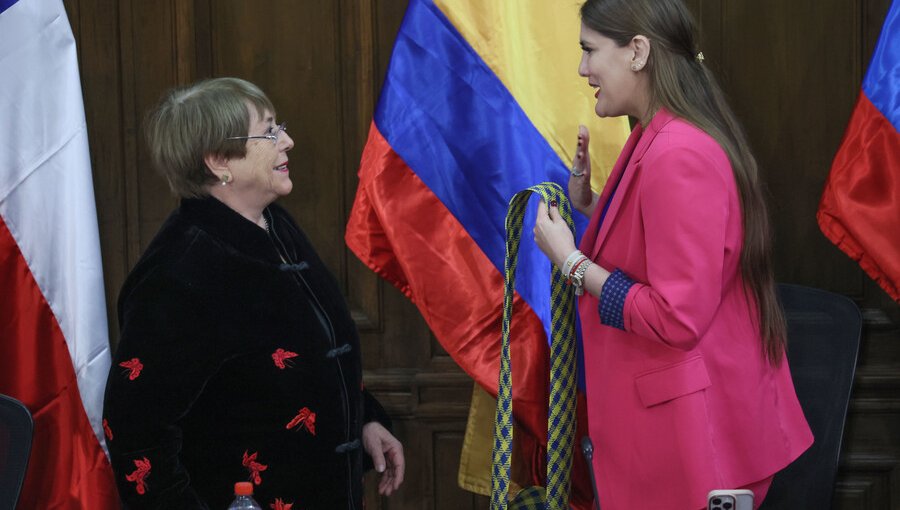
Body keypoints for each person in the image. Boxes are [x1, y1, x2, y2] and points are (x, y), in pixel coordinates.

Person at [532, 1, 813, 508]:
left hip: (687, 444)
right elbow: (662, 249)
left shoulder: (677, 151)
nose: (582, 69)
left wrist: (572, 262)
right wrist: (591, 206)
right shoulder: (658, 134)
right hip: (670, 430)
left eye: (590, 51)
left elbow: (676, 317)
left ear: (638, 52)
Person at [103, 77, 404, 509]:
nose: (288, 141)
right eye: (268, 131)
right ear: (218, 160)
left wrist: (364, 420)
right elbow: (136, 431)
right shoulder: (178, 272)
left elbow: (303, 360)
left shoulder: (275, 226)